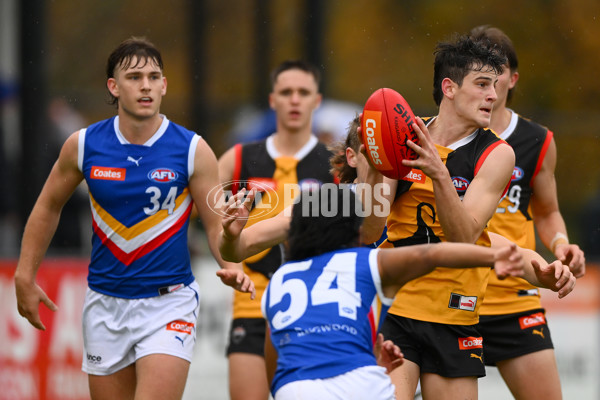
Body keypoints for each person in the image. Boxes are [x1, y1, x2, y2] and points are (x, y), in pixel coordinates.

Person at [13, 37, 254, 400]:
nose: (146, 85)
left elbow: (219, 227)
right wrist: (24, 274)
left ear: (164, 85)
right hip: (104, 305)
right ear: (113, 86)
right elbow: (48, 206)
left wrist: (232, 260)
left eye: (154, 76)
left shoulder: (192, 149)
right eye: (135, 76)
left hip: (168, 303)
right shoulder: (83, 145)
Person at [223, 185, 573, 399]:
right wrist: (496, 256)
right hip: (385, 346)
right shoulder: (339, 212)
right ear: (355, 157)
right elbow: (434, 253)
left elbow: (275, 350)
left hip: (449, 322)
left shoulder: (286, 270)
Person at [357, 34, 517, 400]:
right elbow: (368, 232)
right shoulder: (405, 139)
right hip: (396, 309)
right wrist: (372, 170)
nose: (493, 95)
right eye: (481, 85)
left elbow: (464, 238)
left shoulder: (497, 154)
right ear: (449, 87)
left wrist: (438, 173)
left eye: (494, 85)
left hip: (455, 314)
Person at [469, 25, 586, 400]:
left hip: (514, 298)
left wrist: (561, 243)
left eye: (497, 69)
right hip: (455, 294)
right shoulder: (446, 133)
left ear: (513, 78)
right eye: (479, 68)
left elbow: (548, 210)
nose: (489, 79)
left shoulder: (537, 140)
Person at [218, 59, 335, 400]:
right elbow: (200, 208)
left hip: (314, 309)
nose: (294, 100)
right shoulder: (241, 158)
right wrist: (230, 264)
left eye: (303, 92)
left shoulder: (335, 164)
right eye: (286, 92)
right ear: (273, 101)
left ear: (317, 100)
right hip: (252, 306)